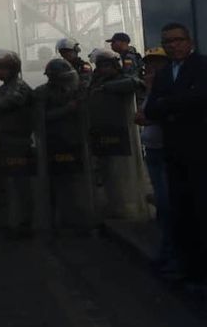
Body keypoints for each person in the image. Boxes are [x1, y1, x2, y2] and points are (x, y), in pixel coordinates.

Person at [144, 23, 207, 289]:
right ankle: (188, 269)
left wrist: (168, 105)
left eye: (177, 40)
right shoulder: (163, 74)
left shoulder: (202, 66)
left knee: (202, 212)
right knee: (181, 213)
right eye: (167, 41)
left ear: (189, 41)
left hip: (200, 153)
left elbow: (200, 99)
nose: (173, 45)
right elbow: (152, 110)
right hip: (174, 153)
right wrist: (175, 103)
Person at [0, 50, 35, 238]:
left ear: (13, 69)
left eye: (2, 68)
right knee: (7, 182)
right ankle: (10, 221)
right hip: (6, 140)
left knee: (19, 183)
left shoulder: (19, 87)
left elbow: (10, 102)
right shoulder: (5, 88)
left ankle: (24, 223)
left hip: (17, 141)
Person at [85, 49, 141, 221]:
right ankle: (113, 206)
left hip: (119, 134)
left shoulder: (121, 79)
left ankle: (127, 209)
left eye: (107, 65)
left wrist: (106, 87)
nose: (103, 69)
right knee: (107, 174)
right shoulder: (95, 81)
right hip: (100, 132)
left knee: (121, 175)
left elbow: (136, 83)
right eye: (100, 66)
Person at [134, 46, 176, 275]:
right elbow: (142, 114)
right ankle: (166, 251)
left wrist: (147, 118)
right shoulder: (151, 87)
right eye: (150, 63)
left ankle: (171, 254)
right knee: (163, 205)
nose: (152, 67)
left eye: (157, 63)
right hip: (153, 151)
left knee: (169, 205)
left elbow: (155, 116)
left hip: (166, 151)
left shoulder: (168, 87)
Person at [35, 59, 90, 233]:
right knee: (54, 185)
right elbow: (41, 118)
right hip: (54, 143)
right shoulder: (43, 93)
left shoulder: (76, 90)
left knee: (76, 184)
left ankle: (78, 220)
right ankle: (56, 221)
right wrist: (68, 108)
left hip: (74, 142)